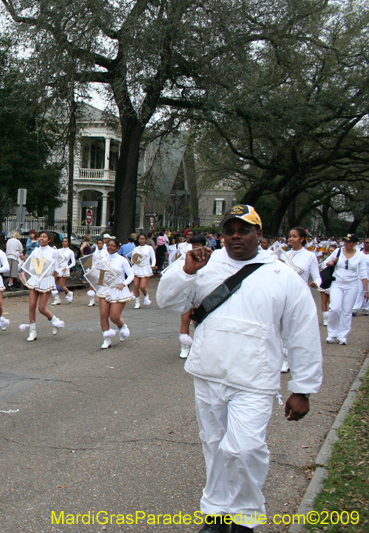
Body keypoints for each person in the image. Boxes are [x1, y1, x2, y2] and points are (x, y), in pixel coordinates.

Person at [157, 205, 323, 532]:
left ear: (258, 234)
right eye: (229, 230)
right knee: (214, 445)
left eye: (244, 230)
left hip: (255, 379)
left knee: (246, 449)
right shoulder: (204, 264)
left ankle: (245, 517)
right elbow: (168, 301)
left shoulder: (282, 276)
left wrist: (302, 388)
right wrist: (186, 272)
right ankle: (217, 514)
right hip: (209, 373)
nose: (236, 236)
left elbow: (303, 333)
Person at [280, 227, 322, 370]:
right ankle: (284, 359)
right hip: (285, 293)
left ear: (302, 239)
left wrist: (316, 283)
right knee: (283, 327)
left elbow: (317, 277)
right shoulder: (284, 255)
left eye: (294, 236)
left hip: (301, 295)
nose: (291, 239)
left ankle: (298, 358)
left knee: (298, 328)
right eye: (290, 236)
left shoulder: (310, 256)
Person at [324, 234, 368, 345]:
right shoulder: (338, 251)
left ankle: (342, 335)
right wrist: (332, 262)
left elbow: (363, 273)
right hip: (337, 283)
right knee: (335, 308)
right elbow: (325, 263)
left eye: (348, 242)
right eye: (345, 241)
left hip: (352, 284)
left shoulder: (360, 256)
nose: (346, 243)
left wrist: (366, 290)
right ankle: (332, 333)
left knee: (347, 311)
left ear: (354, 243)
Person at [20, 231, 64, 341]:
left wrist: (56, 272)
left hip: (46, 280)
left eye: (44, 237)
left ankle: (54, 321)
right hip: (36, 279)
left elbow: (56, 267)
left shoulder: (53, 252)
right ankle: (32, 332)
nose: (41, 238)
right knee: (31, 306)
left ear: (49, 240)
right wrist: (35, 267)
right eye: (40, 237)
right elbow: (31, 267)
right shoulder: (35, 251)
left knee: (41, 308)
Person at [177, 234, 209, 359]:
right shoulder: (187, 257)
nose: (196, 247)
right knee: (185, 319)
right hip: (188, 291)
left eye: (198, 245)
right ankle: (184, 346)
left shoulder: (210, 259)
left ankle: (199, 345)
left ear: (204, 245)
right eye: (194, 245)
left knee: (199, 321)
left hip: (202, 292)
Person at [129, 234, 156, 309]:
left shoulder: (149, 248)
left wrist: (152, 265)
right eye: (140, 239)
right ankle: (137, 302)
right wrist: (135, 260)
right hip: (137, 268)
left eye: (143, 239)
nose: (141, 240)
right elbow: (132, 260)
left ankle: (146, 295)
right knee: (136, 285)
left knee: (142, 286)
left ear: (145, 239)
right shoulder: (135, 249)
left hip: (145, 267)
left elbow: (153, 258)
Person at [52, 236, 75, 305]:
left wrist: (67, 267)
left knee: (61, 286)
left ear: (68, 243)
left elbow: (73, 263)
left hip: (64, 269)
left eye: (65, 241)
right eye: (63, 241)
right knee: (52, 284)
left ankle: (69, 292)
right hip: (57, 268)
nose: (64, 242)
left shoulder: (70, 252)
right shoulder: (58, 250)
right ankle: (57, 299)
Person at [318, 243, 337, 326]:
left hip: (334, 282)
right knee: (324, 300)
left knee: (332, 301)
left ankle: (332, 317)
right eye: (329, 251)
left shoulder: (339, 261)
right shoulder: (325, 261)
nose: (330, 253)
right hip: (325, 282)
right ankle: (325, 317)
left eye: (332, 251)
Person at [88, 237, 108, 306]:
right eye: (98, 244)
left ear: (103, 244)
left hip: (102, 270)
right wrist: (91, 269)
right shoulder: (94, 253)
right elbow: (93, 262)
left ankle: (104, 298)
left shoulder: (106, 252)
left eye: (100, 244)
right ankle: (92, 299)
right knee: (92, 284)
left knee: (102, 284)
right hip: (95, 269)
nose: (99, 245)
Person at [353, 239, 369, 316]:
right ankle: (355, 308)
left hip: (368, 276)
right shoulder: (359, 253)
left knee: (367, 292)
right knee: (358, 291)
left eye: (368, 243)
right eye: (365, 242)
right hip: (359, 275)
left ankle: (366, 308)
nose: (366, 244)